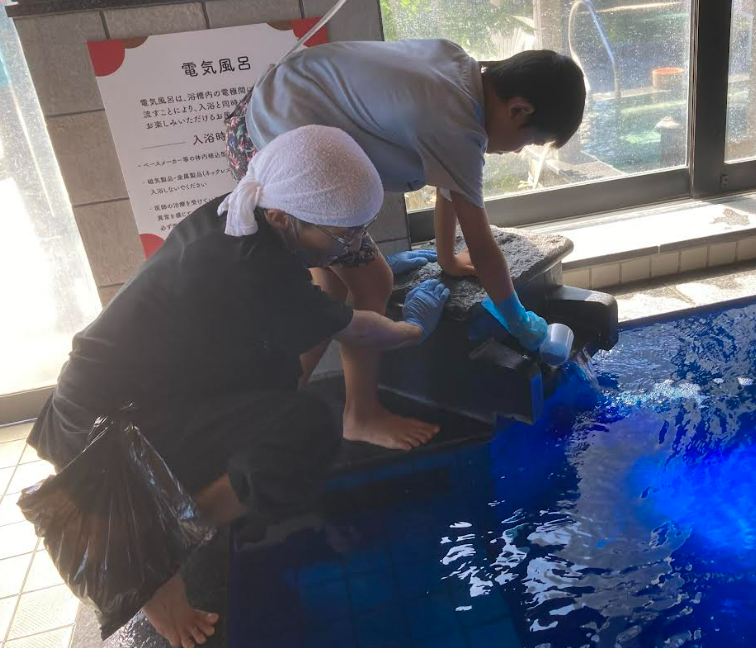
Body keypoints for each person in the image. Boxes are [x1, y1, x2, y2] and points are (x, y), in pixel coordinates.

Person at [26, 125, 450, 648]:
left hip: (141, 388)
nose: (354, 247)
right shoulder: (252, 268)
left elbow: (315, 312)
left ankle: (178, 512)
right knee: (304, 429)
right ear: (283, 217)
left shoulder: (243, 214)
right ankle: (160, 549)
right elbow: (356, 327)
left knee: (273, 382)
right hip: (103, 427)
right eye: (344, 236)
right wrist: (414, 328)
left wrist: (355, 269)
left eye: (360, 232)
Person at [227, 39, 586, 449]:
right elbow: (483, 245)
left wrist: (448, 260)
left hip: (260, 117)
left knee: (329, 289)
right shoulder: (457, 124)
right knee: (372, 283)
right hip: (280, 155)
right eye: (528, 141)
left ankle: (280, 405)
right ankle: (359, 415)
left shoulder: (457, 67)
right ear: (519, 109)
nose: (518, 150)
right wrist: (520, 321)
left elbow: (449, 178)